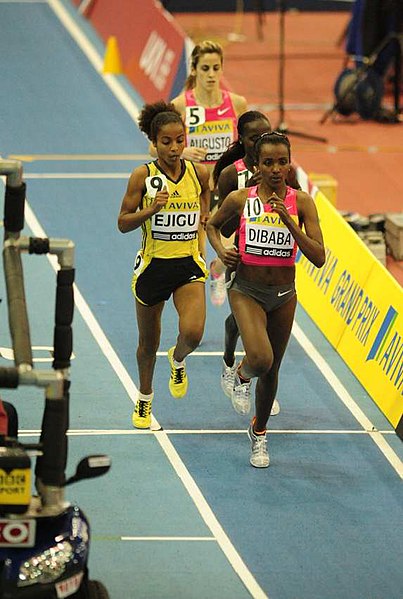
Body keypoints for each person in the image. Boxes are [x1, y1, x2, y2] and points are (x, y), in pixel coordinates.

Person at [206, 132, 325, 468]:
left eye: (282, 162)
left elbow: (318, 256)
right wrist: (221, 251)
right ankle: (242, 374)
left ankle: (259, 433)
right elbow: (212, 226)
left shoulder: (302, 203)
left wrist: (289, 222)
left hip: (284, 296)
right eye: (269, 162)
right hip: (246, 289)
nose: (276, 169)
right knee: (260, 359)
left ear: (290, 164)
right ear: (256, 165)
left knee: (272, 371)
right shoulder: (241, 199)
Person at [118, 101, 210, 429]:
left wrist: (213, 247)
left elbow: (205, 217)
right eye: (166, 142)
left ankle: (178, 357)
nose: (174, 148)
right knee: (148, 343)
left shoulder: (199, 174)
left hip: (187, 265)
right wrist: (150, 210)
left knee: (194, 332)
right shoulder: (142, 175)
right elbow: (123, 223)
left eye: (180, 140)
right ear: (154, 143)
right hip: (152, 268)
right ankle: (144, 398)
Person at [212, 110, 301, 417]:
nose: (261, 139)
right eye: (254, 137)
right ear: (244, 141)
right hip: (242, 262)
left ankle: (255, 380)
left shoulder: (286, 174)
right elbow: (222, 228)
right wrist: (251, 198)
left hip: (278, 271)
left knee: (265, 349)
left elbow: (297, 206)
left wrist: (277, 205)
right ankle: (229, 362)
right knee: (239, 324)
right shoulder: (230, 177)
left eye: (265, 133)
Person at [150, 40, 248, 305]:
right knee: (199, 246)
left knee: (228, 242)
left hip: (226, 186)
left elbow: (247, 143)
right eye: (205, 68)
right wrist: (181, 152)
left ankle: (218, 269)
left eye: (216, 68)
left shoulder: (237, 104)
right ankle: (198, 297)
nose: (212, 74)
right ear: (194, 69)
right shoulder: (181, 105)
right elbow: (152, 147)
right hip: (194, 187)